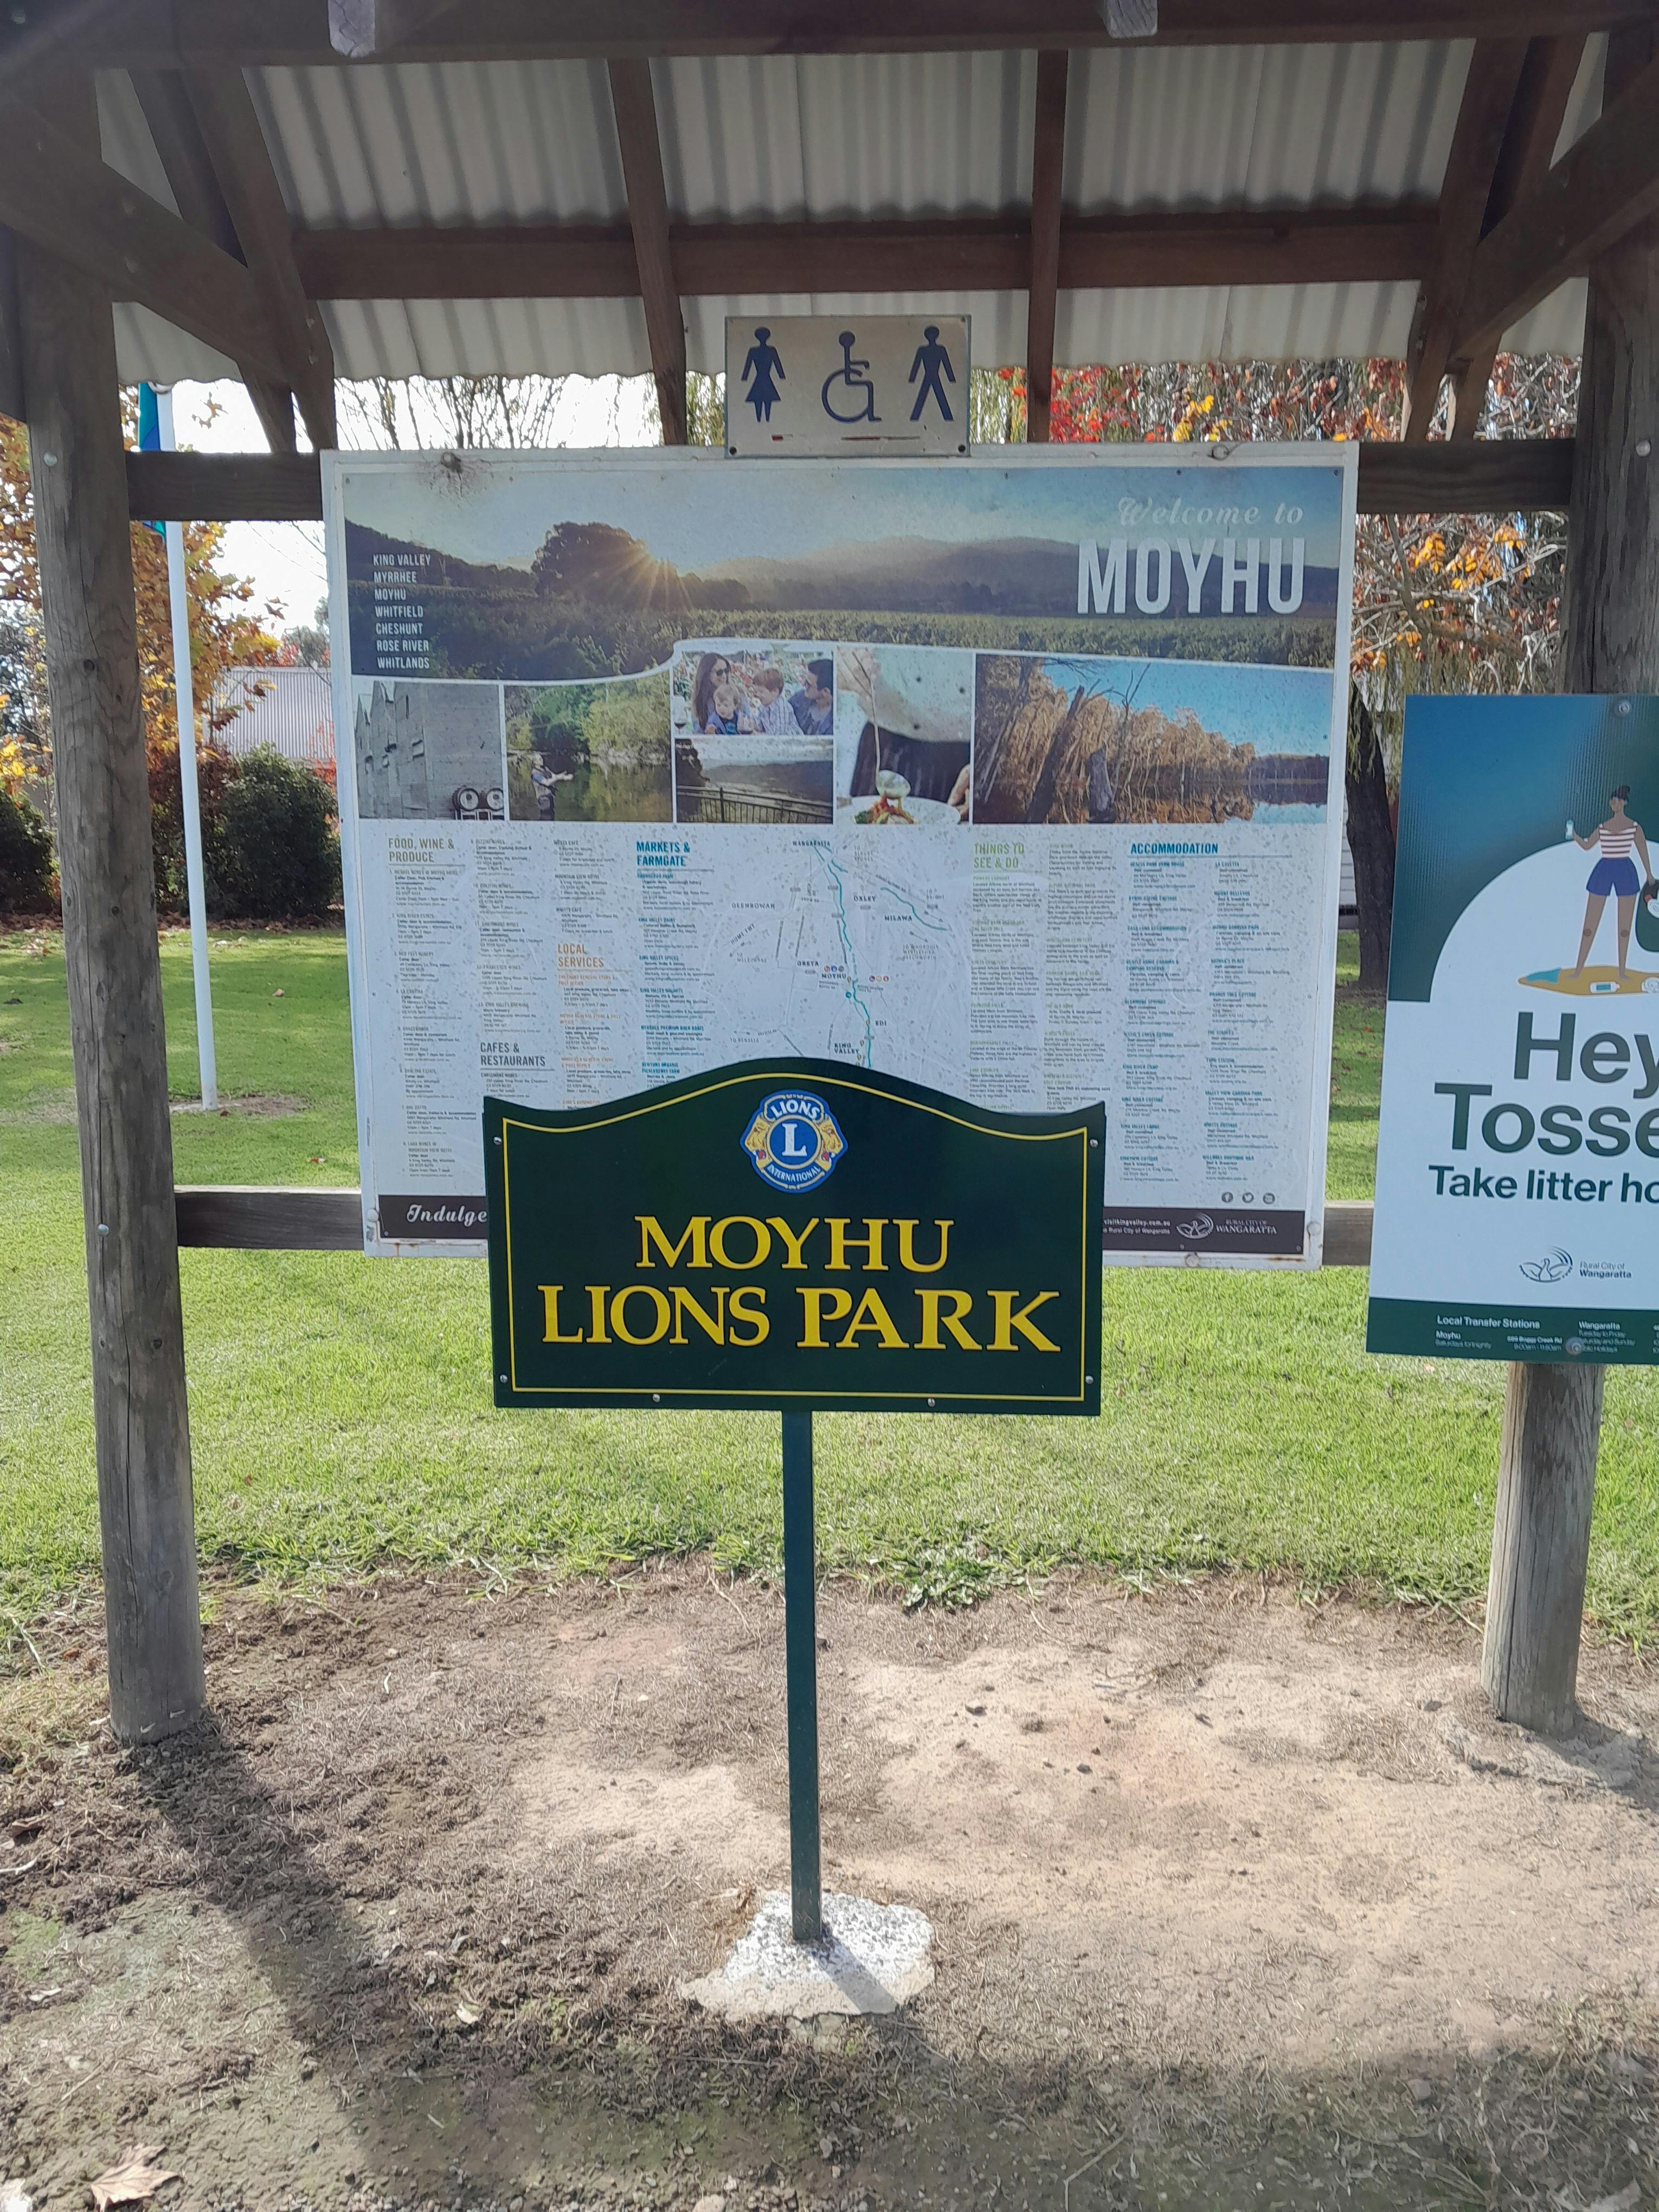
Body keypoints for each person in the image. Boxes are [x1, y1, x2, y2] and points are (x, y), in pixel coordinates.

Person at [1568, 785, 1655, 981]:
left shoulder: (1634, 827)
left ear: (1624, 803)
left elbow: (1642, 849)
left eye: (1618, 800)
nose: (1614, 804)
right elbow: (1588, 845)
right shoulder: (1602, 827)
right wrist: (1574, 836)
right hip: (1604, 870)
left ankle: (1622, 972)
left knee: (1624, 927)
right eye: (1612, 800)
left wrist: (1649, 874)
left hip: (1625, 871)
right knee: (1589, 924)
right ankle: (1578, 970)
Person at [790, 657, 835, 736]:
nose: (803, 684)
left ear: (825, 692)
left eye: (808, 683)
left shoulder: (835, 720)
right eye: (805, 679)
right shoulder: (799, 699)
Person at [691, 651, 731, 735]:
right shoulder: (700, 702)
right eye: (719, 673)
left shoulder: (738, 695)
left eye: (726, 671)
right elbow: (699, 735)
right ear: (707, 675)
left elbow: (747, 723)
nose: (724, 676)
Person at [751, 666, 794, 735]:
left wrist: (759, 735)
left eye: (761, 692)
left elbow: (779, 734)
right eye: (757, 691)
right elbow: (760, 725)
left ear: (775, 692)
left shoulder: (781, 707)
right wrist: (752, 725)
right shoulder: (763, 707)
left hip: (793, 743)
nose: (758, 695)